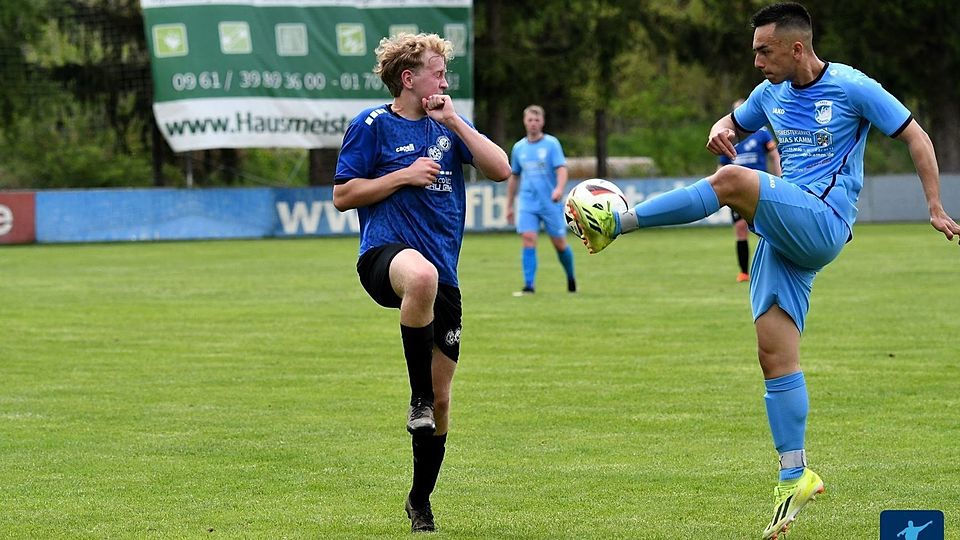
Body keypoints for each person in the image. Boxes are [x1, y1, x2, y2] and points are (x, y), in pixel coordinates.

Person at [565, 3, 960, 539]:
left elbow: (916, 136)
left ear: (797, 48)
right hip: (785, 232)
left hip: (823, 220)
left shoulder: (851, 85)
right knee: (774, 354)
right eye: (754, 50)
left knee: (730, 181)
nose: (756, 61)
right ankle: (795, 474)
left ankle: (620, 222)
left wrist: (934, 206)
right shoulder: (768, 94)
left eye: (764, 50)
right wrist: (719, 125)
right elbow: (735, 119)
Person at [333, 32, 511, 533]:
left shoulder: (447, 124)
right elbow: (344, 195)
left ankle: (419, 498)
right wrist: (403, 176)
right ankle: (416, 400)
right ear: (409, 79)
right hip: (384, 258)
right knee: (421, 274)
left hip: (442, 278)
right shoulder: (371, 125)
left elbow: (501, 168)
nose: (445, 81)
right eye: (437, 72)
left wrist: (454, 119)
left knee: (444, 401)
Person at [506, 105, 576, 295]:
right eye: (530, 120)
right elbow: (514, 176)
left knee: (559, 243)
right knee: (528, 239)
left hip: (550, 201)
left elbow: (561, 168)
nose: (533, 124)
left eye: (537, 120)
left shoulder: (551, 144)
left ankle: (571, 278)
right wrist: (509, 205)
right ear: (525, 122)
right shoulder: (519, 148)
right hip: (528, 202)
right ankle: (529, 286)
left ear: (542, 122)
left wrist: (559, 189)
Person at [718, 99, 781, 283]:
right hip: (736, 190)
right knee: (740, 229)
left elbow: (774, 155)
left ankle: (774, 271)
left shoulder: (761, 132)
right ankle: (744, 272)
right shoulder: (728, 136)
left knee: (770, 228)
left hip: (761, 186)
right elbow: (721, 167)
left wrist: (779, 177)